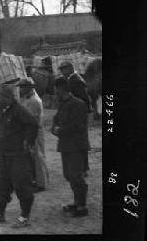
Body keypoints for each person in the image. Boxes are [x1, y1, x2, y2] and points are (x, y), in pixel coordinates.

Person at [0, 84, 39, 228]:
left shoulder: (19, 110)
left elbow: (33, 124)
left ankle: (24, 217)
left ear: (7, 97)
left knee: (22, 185)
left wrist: (28, 142)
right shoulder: (3, 110)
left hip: (18, 155)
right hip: (4, 154)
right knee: (2, 185)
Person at [52, 77, 90, 217]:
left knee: (76, 176)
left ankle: (82, 206)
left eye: (56, 89)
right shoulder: (63, 103)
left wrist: (59, 130)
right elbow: (56, 120)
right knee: (68, 175)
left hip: (77, 146)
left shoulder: (78, 104)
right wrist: (54, 128)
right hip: (66, 146)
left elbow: (78, 126)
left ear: (62, 89)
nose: (55, 92)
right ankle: (77, 201)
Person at [58, 61, 91, 176]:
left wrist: (82, 112)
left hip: (79, 114)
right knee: (79, 141)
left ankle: (84, 168)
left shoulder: (76, 81)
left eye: (64, 69)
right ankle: (83, 168)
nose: (62, 72)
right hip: (76, 113)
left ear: (71, 68)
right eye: (61, 70)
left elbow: (85, 100)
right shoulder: (73, 79)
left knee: (81, 141)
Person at [17, 77, 50, 191]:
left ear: (29, 87)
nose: (20, 89)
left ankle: (41, 184)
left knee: (38, 157)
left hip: (35, 131)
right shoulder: (28, 98)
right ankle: (37, 181)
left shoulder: (34, 101)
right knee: (34, 157)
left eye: (22, 87)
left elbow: (31, 121)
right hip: (31, 131)